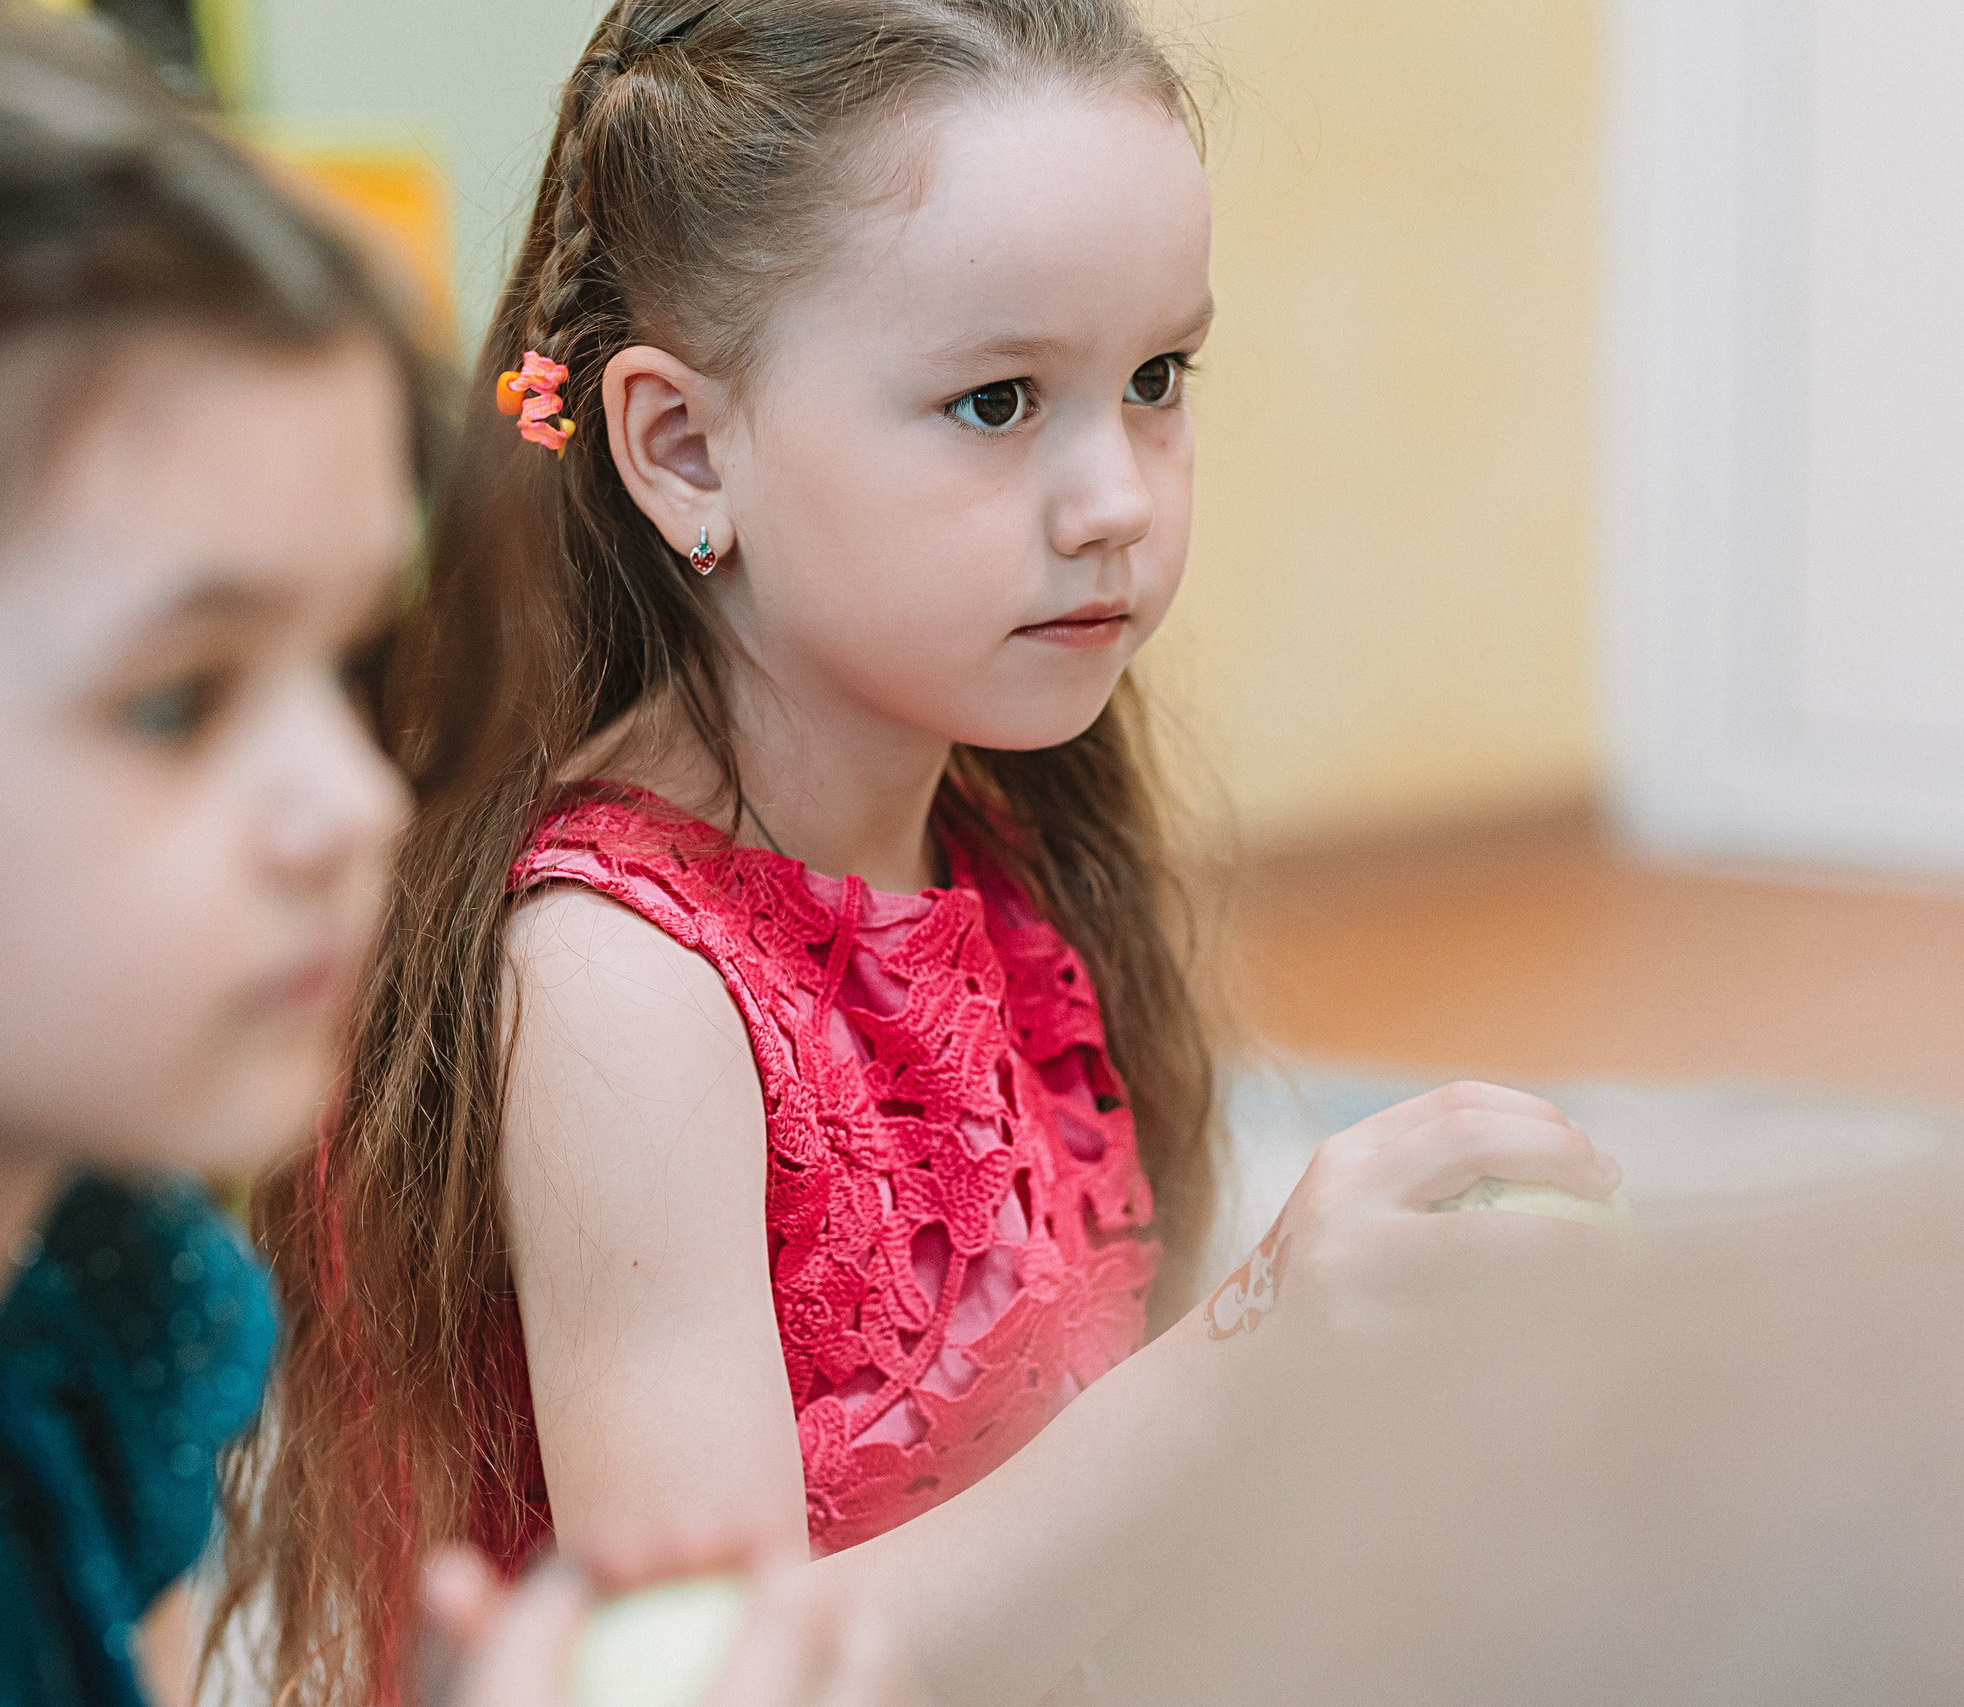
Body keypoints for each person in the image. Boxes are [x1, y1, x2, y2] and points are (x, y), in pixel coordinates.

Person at [227, 2, 1627, 1704]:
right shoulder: (614, 984)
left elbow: (1128, 1504)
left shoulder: (1016, 841)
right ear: (684, 447)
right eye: (996, 401)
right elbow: (696, 1677)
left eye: (1157, 379)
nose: (1113, 493)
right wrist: (1258, 1353)